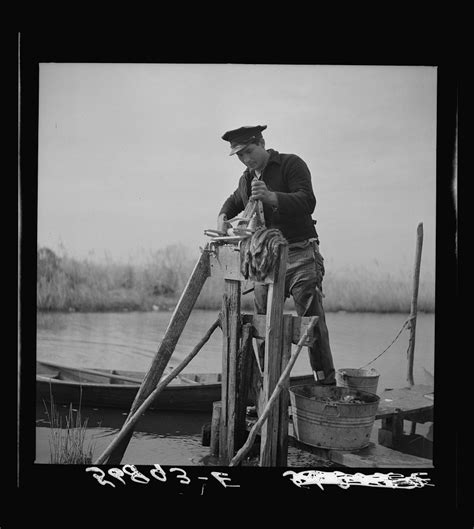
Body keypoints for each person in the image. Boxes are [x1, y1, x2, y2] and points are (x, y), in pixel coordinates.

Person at [217, 124, 336, 385]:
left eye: (249, 152)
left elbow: (307, 200)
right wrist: (223, 215)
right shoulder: (247, 179)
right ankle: (269, 386)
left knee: (312, 323)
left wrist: (271, 197)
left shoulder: (291, 164)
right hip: (266, 263)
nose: (246, 160)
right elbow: (235, 199)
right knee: (263, 324)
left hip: (301, 254)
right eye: (240, 156)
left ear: (261, 142)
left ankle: (325, 383)